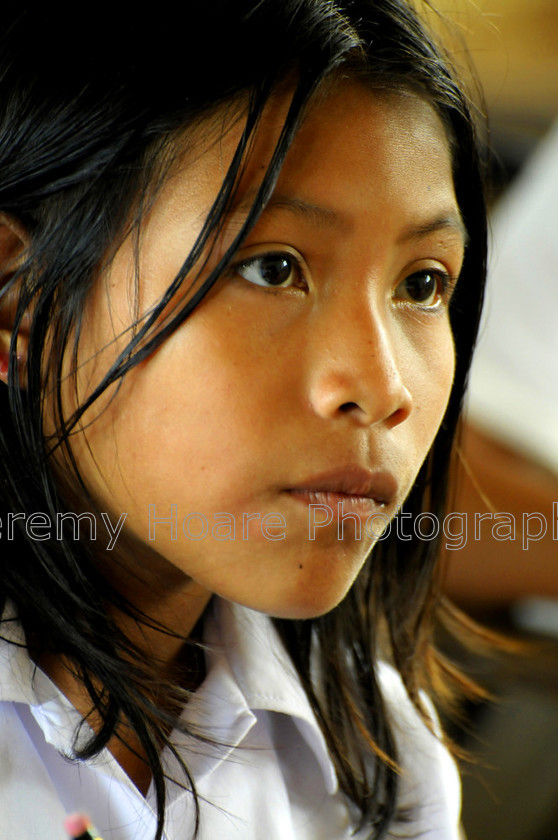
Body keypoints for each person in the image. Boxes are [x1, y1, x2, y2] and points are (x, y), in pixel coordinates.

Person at [0, 4, 487, 839]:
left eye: (422, 285)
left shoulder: (379, 760)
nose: (383, 386)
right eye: (274, 268)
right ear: (16, 295)